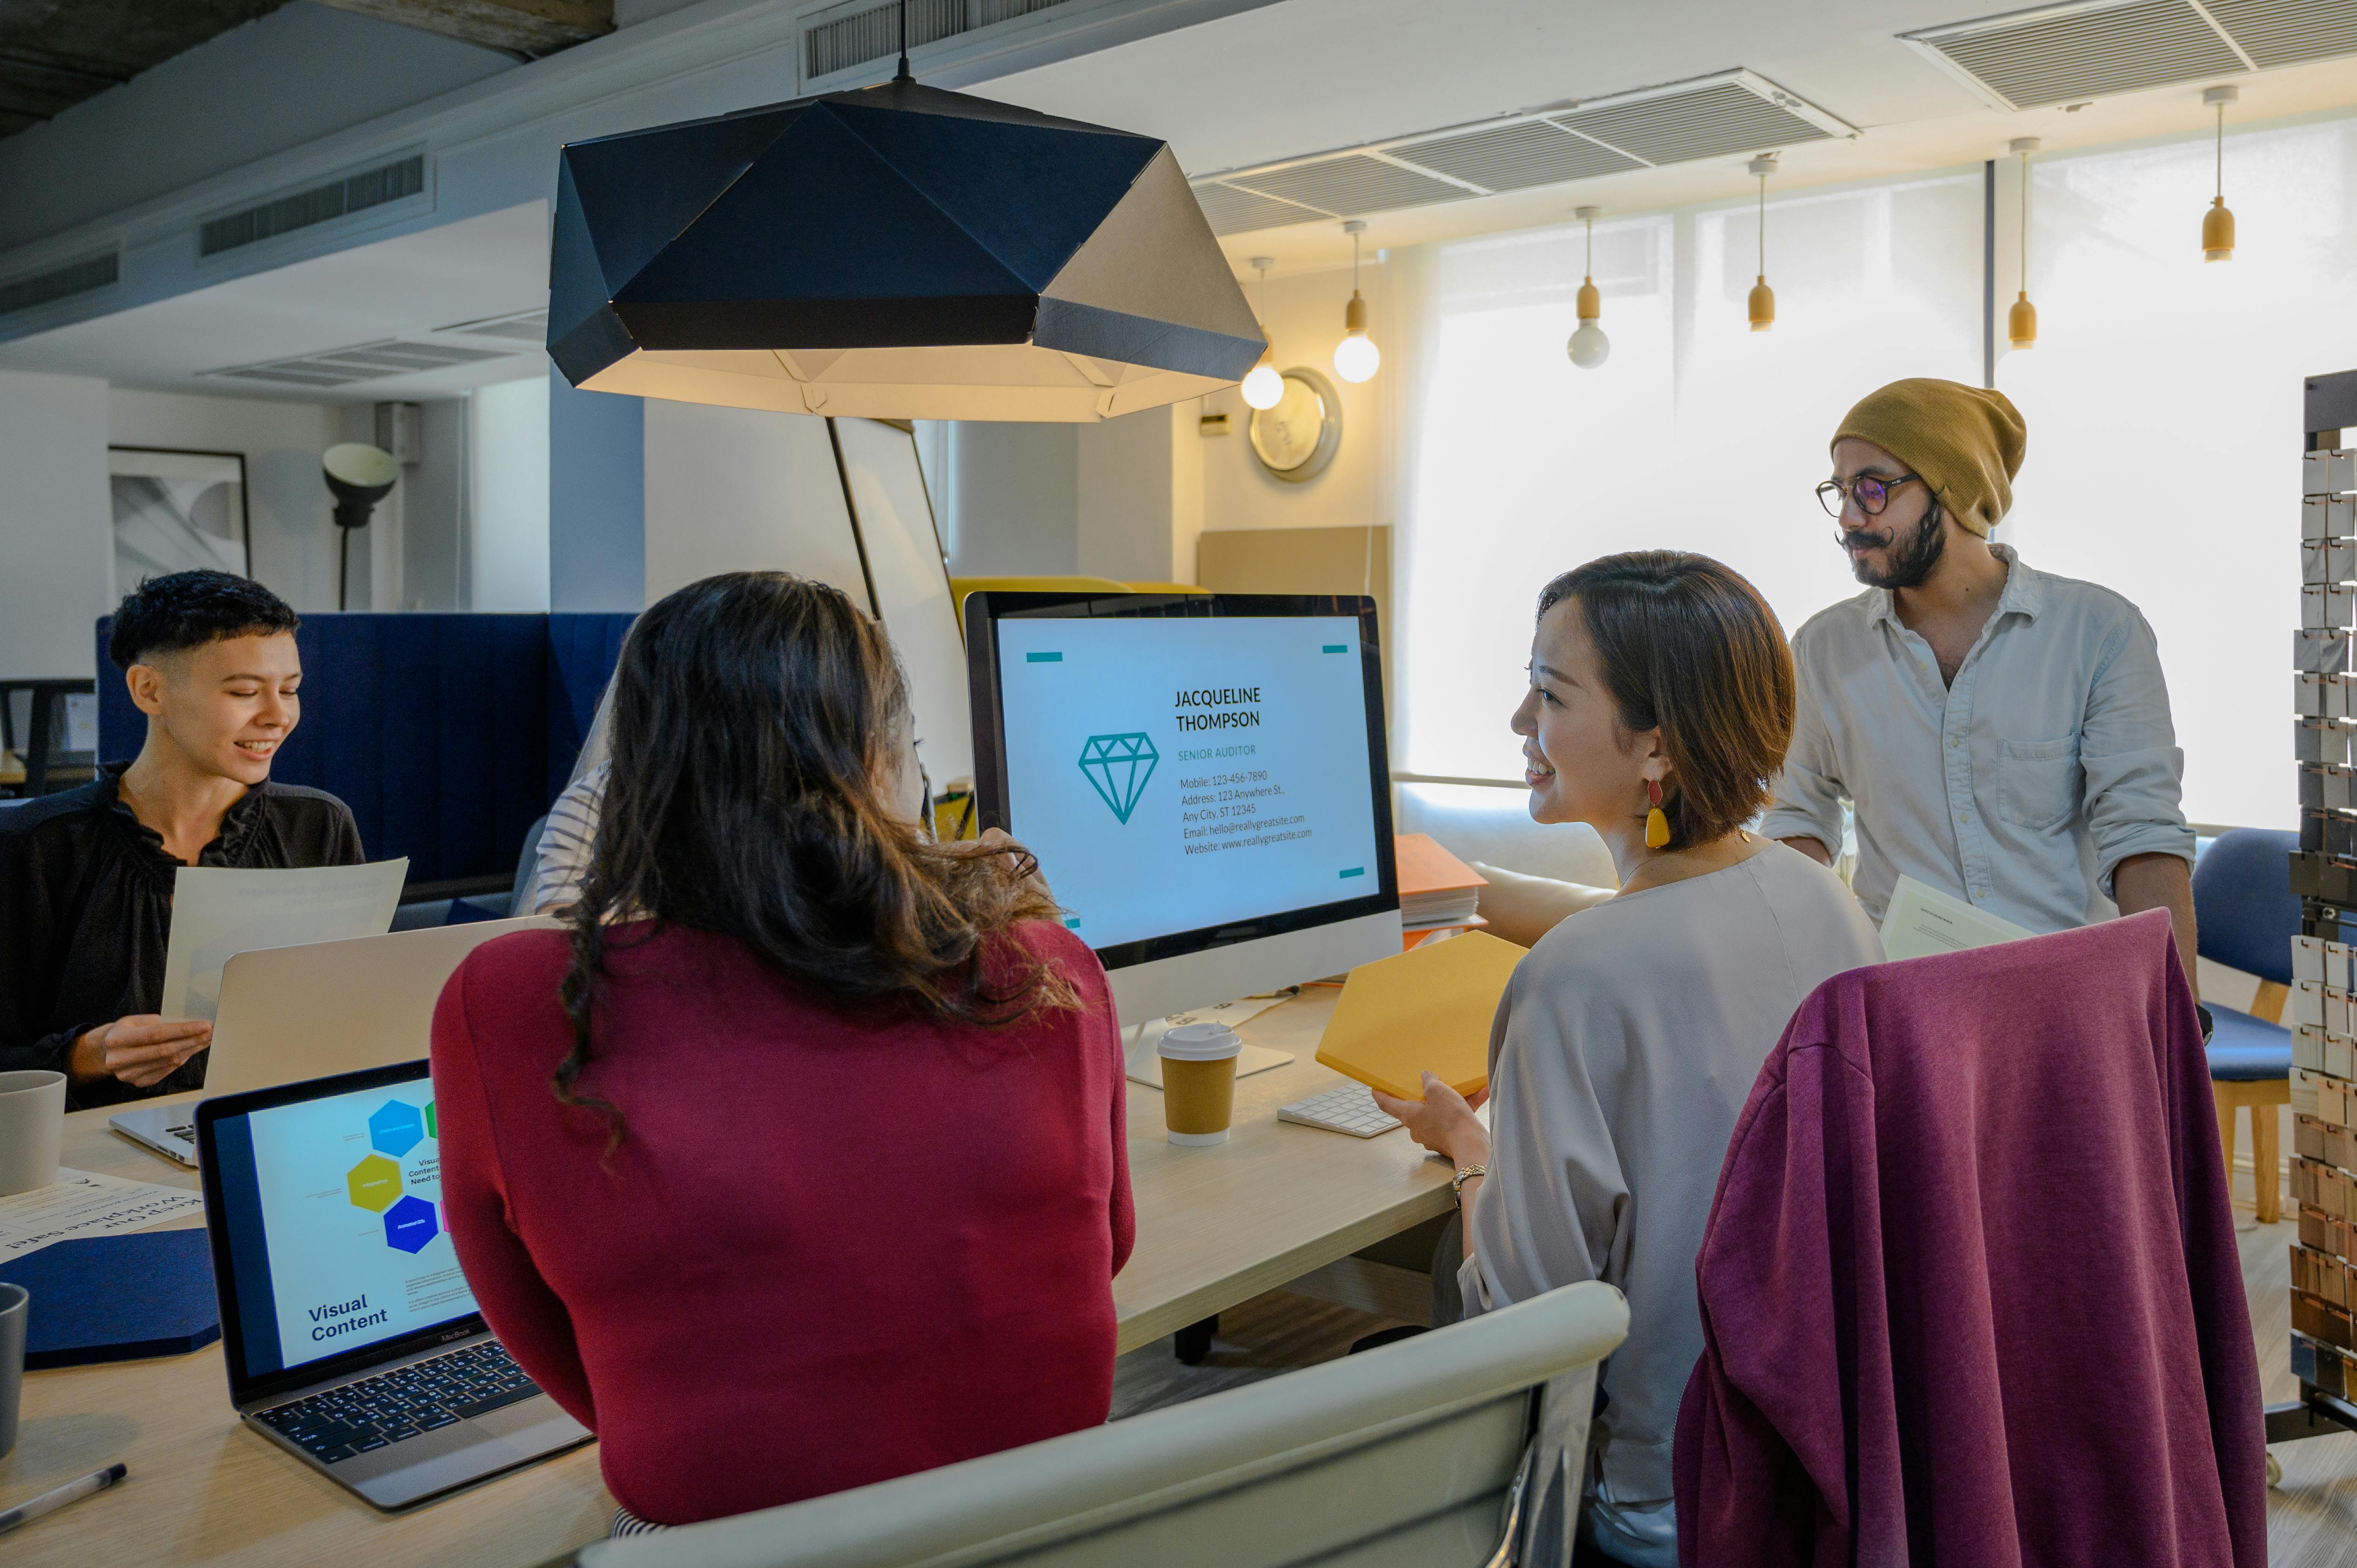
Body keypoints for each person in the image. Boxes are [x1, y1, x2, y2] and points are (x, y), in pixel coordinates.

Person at [431, 571, 1132, 1530]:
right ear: (888, 761)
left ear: (636, 776)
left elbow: (558, 1342)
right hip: (1039, 1528)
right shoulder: (1049, 970)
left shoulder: (521, 1001)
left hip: (724, 1541)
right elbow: (1106, 1248)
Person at [1374, 553, 1882, 1568]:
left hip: (1661, 1506)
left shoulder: (1577, 976)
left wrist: (1475, 1157)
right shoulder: (1821, 896)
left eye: (1551, 695)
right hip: (1816, 1466)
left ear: (1655, 742)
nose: (1522, 721)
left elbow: (1521, 1328)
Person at [1761, 377, 2199, 982]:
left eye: (1873, 488)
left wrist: (2176, 1017)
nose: (1849, 515)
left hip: (2066, 998)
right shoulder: (1821, 650)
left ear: (1954, 488)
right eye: (1839, 489)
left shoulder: (2097, 632)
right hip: (1903, 1006)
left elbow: (2143, 835)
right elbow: (1798, 821)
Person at [0, 571, 362, 1109]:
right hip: (84, 1158)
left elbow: (355, 1013)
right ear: (150, 690)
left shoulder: (319, 825)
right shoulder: (36, 846)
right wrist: (87, 1055)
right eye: (244, 691)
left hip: (266, 1132)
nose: (278, 716)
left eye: (290, 689)